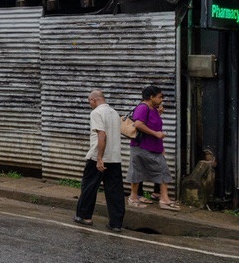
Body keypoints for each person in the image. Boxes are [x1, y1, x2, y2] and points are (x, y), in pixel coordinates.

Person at [74, 90, 126, 232]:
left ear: (93, 100)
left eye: (89, 101)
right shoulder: (114, 113)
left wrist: (99, 158)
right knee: (115, 191)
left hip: (98, 157)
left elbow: (102, 135)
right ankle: (116, 223)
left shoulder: (96, 113)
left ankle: (84, 216)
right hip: (114, 158)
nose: (89, 104)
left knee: (89, 186)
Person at [126, 85, 180, 211]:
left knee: (162, 170)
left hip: (153, 147)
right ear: (151, 97)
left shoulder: (154, 109)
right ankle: (134, 198)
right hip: (141, 146)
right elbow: (138, 124)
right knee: (138, 172)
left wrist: (161, 146)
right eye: (160, 97)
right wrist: (156, 134)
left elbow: (152, 124)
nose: (162, 99)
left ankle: (163, 199)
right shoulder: (143, 107)